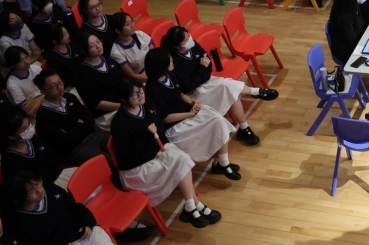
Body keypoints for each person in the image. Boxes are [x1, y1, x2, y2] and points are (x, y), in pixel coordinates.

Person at [110, 80, 222, 228]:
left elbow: (160, 131)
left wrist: (159, 147)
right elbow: (127, 152)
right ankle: (194, 205)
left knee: (182, 158)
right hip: (137, 168)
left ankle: (191, 205)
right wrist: (147, 136)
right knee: (179, 161)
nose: (140, 95)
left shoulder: (148, 103)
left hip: (155, 152)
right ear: (124, 99)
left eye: (141, 90)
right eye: (134, 94)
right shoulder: (119, 122)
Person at [161, 26, 278, 146]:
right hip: (194, 93)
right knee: (228, 89)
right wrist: (202, 68)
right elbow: (189, 85)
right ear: (177, 46)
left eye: (188, 35)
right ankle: (253, 95)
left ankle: (245, 126)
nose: (190, 39)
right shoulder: (174, 61)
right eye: (186, 39)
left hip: (206, 81)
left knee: (229, 89)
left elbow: (208, 65)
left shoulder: (193, 45)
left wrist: (201, 72)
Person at [143, 49, 240, 179]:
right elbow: (165, 118)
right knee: (214, 123)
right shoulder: (152, 89)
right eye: (169, 59)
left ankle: (221, 163)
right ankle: (222, 164)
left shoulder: (169, 75)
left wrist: (191, 101)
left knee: (217, 119)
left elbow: (180, 93)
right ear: (161, 64)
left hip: (186, 114)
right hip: (175, 127)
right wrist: (190, 114)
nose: (172, 61)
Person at [6, 172, 114, 245]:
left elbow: (75, 207)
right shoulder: (19, 223)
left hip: (85, 233)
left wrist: (87, 223)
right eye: (31, 191)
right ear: (21, 197)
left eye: (38, 183)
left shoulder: (51, 188)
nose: (39, 190)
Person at [34, 69, 110, 166]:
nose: (60, 87)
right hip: (76, 150)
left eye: (60, 82)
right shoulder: (42, 116)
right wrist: (79, 123)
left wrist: (73, 131)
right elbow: (66, 142)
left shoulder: (69, 97)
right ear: (43, 92)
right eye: (53, 86)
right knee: (108, 161)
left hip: (94, 136)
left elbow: (89, 119)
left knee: (121, 143)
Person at [0, 114, 73, 190]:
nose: (29, 129)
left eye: (29, 123)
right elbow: (30, 184)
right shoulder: (11, 162)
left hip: (58, 173)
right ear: (12, 136)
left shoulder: (33, 139)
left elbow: (52, 155)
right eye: (24, 129)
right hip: (43, 188)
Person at [73, 33, 123, 130]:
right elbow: (96, 103)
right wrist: (122, 106)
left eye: (98, 42)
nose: (98, 46)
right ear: (84, 50)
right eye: (92, 46)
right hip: (106, 115)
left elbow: (123, 79)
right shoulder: (83, 74)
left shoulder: (107, 59)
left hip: (122, 103)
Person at [110, 12, 153, 83]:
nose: (132, 25)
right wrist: (154, 80)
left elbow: (153, 54)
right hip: (140, 80)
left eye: (132, 21)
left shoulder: (140, 34)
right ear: (117, 30)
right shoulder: (116, 52)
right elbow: (132, 76)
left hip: (152, 70)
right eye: (127, 24)